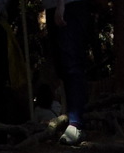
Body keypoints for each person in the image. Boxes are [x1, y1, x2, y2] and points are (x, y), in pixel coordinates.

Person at [43, 0, 89, 145]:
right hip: (52, 6)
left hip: (68, 5)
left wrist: (61, 4)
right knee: (61, 65)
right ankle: (71, 118)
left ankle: (76, 123)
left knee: (71, 61)